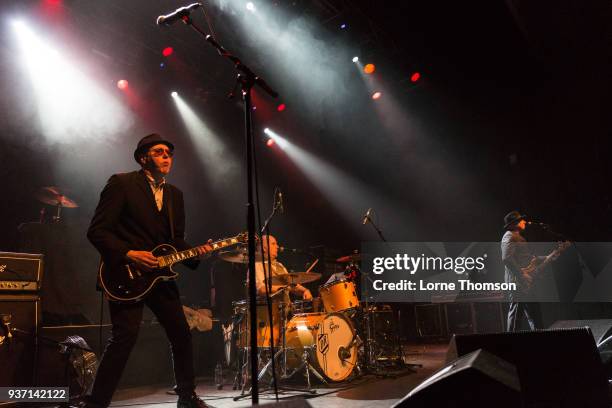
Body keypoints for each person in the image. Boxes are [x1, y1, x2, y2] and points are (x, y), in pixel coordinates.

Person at [84, 134, 211, 408]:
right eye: (159, 151)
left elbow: (175, 240)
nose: (167, 156)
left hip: (160, 278)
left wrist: (199, 253)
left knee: (181, 332)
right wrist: (129, 254)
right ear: (143, 158)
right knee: (124, 338)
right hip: (124, 275)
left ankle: (187, 397)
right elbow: (97, 231)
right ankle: (96, 403)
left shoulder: (175, 195)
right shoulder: (122, 183)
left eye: (169, 152)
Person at [501, 210, 544, 332]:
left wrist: (551, 255)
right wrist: (522, 274)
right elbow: (506, 258)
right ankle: (511, 345)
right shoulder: (509, 235)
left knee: (535, 314)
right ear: (513, 224)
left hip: (525, 282)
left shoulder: (519, 237)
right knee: (516, 315)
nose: (524, 221)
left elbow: (528, 259)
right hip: (518, 282)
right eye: (520, 220)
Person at [254, 235, 312, 302]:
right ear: (264, 248)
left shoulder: (280, 265)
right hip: (267, 310)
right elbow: (261, 289)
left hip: (286, 310)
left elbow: (292, 285)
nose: (277, 247)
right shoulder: (257, 265)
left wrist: (305, 291)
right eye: (273, 244)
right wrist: (284, 288)